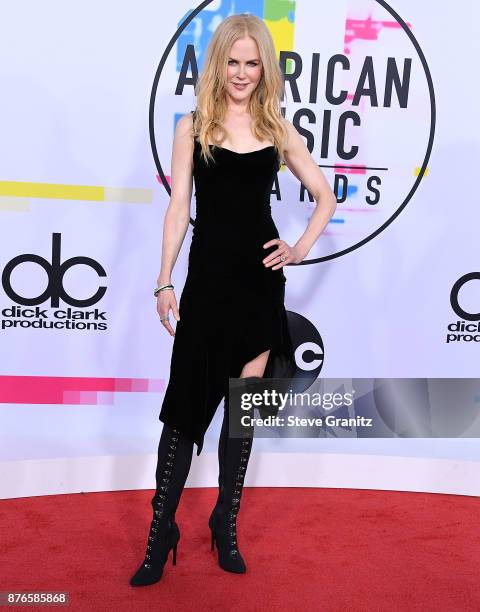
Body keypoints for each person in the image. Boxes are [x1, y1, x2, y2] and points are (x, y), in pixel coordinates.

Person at [130, 13, 336, 587]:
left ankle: (226, 521)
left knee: (241, 416)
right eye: (233, 61)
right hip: (208, 286)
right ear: (217, 63)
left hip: (258, 288)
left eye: (253, 63)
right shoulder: (192, 126)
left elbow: (324, 197)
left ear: (263, 67)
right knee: (182, 414)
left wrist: (296, 248)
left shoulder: (278, 128)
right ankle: (160, 532)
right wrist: (164, 280)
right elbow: (178, 211)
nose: (242, 73)